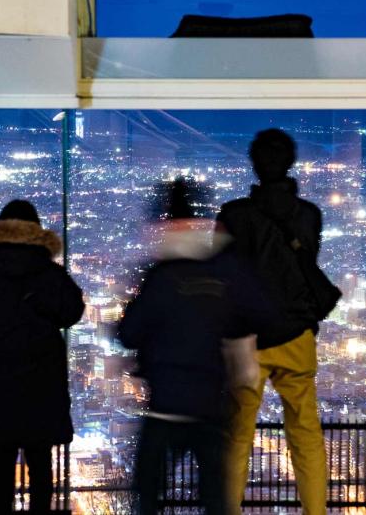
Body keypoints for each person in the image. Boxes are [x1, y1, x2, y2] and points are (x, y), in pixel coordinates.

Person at [118, 178, 275, 515]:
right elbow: (263, 314)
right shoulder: (223, 273)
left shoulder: (159, 277)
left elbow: (128, 333)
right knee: (216, 498)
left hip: (164, 406)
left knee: (148, 492)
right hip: (211, 405)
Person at [218, 129, 331, 515]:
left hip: (245, 340)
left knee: (237, 435)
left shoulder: (233, 215)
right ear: (290, 162)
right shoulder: (309, 215)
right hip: (296, 333)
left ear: (254, 163)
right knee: (305, 432)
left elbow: (221, 275)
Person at [0, 200, 84, 514]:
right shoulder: (52, 274)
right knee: (40, 461)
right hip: (41, 380)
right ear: (36, 231)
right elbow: (72, 313)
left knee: (0, 461)